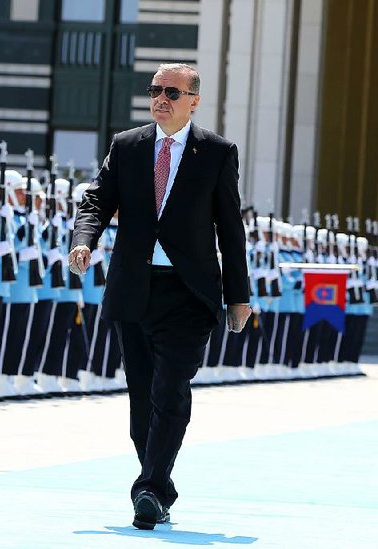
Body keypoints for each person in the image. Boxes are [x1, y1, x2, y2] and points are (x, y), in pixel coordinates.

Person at [68, 63, 251, 530]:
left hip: (190, 293)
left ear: (194, 100)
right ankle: (158, 485)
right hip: (135, 288)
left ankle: (148, 489)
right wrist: (84, 239)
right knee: (141, 397)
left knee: (170, 390)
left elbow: (231, 228)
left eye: (172, 91)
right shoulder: (127, 146)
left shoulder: (216, 152)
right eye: (155, 90)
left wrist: (239, 295)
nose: (161, 98)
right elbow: (97, 200)